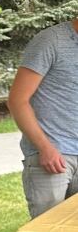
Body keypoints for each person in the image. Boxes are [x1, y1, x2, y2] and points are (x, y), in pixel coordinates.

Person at [7, 18, 78, 218]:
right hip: (53, 156)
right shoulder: (51, 40)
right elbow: (17, 100)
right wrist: (44, 148)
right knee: (48, 231)